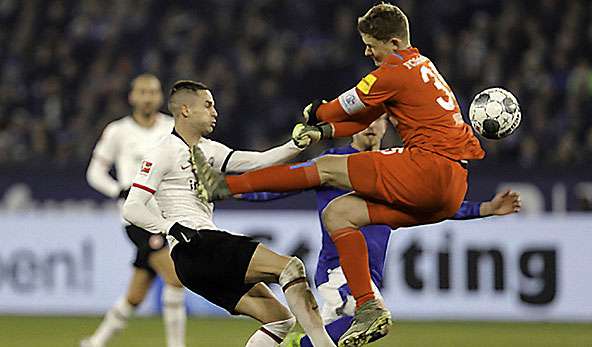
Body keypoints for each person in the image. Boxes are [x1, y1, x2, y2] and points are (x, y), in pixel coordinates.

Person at [190, 3, 487, 346]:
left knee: (325, 169)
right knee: (339, 214)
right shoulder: (421, 66)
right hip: (450, 187)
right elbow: (362, 116)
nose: (366, 50)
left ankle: (225, 185)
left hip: (429, 166)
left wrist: (315, 113)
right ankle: (368, 306)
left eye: (370, 43)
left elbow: (344, 106)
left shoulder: (394, 69)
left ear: (392, 42)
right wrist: (325, 132)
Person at [239, 117, 521, 347]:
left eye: (379, 120)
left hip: (368, 271)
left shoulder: (396, 170)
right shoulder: (335, 162)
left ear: (387, 125)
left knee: (334, 335)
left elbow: (439, 205)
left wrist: (486, 209)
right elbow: (282, 184)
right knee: (372, 318)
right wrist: (236, 191)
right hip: (338, 270)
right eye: (364, 121)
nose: (371, 126)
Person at [122, 80, 336, 347]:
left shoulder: (210, 150)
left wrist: (296, 145)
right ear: (186, 110)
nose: (215, 112)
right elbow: (131, 207)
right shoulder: (162, 152)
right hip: (197, 245)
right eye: (208, 105)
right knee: (290, 268)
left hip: (195, 263)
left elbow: (258, 161)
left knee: (280, 320)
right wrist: (170, 227)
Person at [82, 74, 186, 347]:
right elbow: (95, 172)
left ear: (160, 97)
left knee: (136, 294)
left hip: (166, 215)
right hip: (136, 217)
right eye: (142, 92)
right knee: (175, 277)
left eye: (152, 92)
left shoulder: (171, 128)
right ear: (132, 96)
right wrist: (118, 190)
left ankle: (96, 342)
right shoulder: (118, 131)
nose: (148, 97)